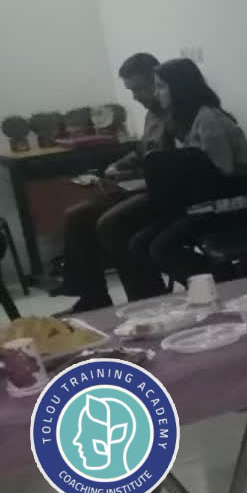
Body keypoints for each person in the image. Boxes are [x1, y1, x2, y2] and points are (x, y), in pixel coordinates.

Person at [119, 58, 247, 301]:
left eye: (161, 86)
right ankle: (154, 305)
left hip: (233, 203)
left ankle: (220, 286)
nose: (157, 93)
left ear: (179, 87)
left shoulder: (209, 119)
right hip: (202, 203)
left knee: (162, 247)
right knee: (138, 244)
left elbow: (222, 173)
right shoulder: (186, 120)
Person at [58, 53, 168, 311]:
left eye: (140, 88)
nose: (136, 97)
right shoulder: (152, 115)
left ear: (156, 80)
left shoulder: (175, 114)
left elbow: (167, 165)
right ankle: (93, 298)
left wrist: (131, 176)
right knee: (76, 216)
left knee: (111, 223)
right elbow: (142, 152)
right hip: (138, 188)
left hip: (160, 193)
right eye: (131, 91)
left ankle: (147, 298)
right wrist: (118, 166)